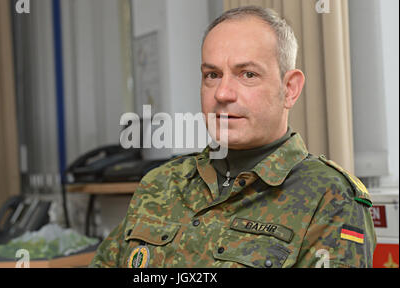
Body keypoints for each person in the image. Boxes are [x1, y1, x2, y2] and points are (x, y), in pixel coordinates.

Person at [90, 6, 375, 268]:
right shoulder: (160, 184)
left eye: (247, 74)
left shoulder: (329, 197)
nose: (222, 93)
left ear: (290, 89)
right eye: (212, 75)